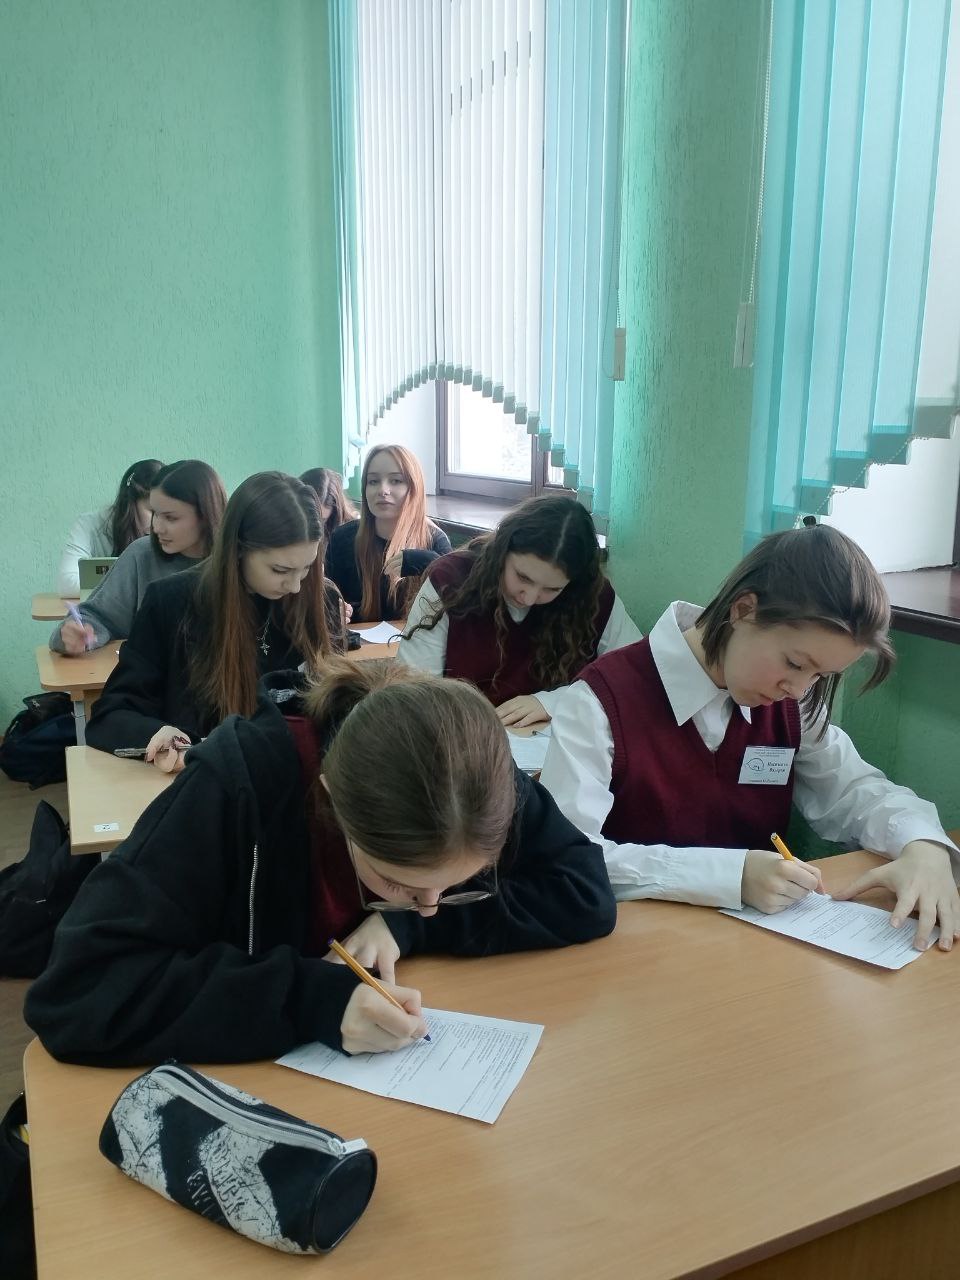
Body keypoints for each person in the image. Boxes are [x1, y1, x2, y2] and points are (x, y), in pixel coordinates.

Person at [25, 658, 617, 1066]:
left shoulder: (478, 777)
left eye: (457, 886)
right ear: (333, 800)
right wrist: (311, 1001)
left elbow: (584, 891)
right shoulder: (236, 786)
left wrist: (403, 924)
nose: (431, 907)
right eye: (399, 884)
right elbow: (78, 992)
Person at [539, 523, 960, 951]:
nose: (798, 689)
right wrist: (731, 876)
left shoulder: (791, 705)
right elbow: (566, 856)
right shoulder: (598, 702)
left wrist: (924, 846)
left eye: (820, 675)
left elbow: (856, 791)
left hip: (753, 949)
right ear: (743, 611)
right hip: (626, 949)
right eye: (795, 663)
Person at [85, 472, 346, 770]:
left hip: (298, 777)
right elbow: (111, 714)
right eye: (279, 570)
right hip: (209, 777)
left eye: (307, 567)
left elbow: (334, 705)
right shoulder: (171, 602)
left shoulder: (320, 600)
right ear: (239, 550)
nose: (296, 586)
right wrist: (159, 734)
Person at [398, 494, 642, 727]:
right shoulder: (450, 580)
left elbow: (636, 674)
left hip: (547, 743)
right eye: (523, 577)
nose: (530, 597)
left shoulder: (592, 595)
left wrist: (553, 702)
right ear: (502, 551)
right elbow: (414, 692)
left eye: (552, 589)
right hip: (462, 737)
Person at [49, 460, 226, 655]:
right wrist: (73, 634)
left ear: (206, 515)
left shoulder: (236, 562)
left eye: (170, 518)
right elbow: (93, 618)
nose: (157, 527)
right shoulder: (141, 555)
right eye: (155, 514)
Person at [325, 445, 451, 622]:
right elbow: (328, 602)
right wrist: (338, 612)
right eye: (373, 481)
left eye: (396, 481)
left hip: (413, 638)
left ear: (414, 488)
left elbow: (454, 605)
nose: (382, 490)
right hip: (357, 639)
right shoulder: (342, 538)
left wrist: (429, 563)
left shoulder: (435, 540)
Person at [57, 459, 164, 597]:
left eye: (169, 515)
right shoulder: (90, 524)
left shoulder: (172, 530)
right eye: (153, 511)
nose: (161, 524)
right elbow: (67, 584)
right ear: (130, 503)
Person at [299, 467, 358, 543]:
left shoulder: (350, 532)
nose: (316, 526)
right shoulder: (288, 524)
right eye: (310, 517)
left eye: (323, 520)